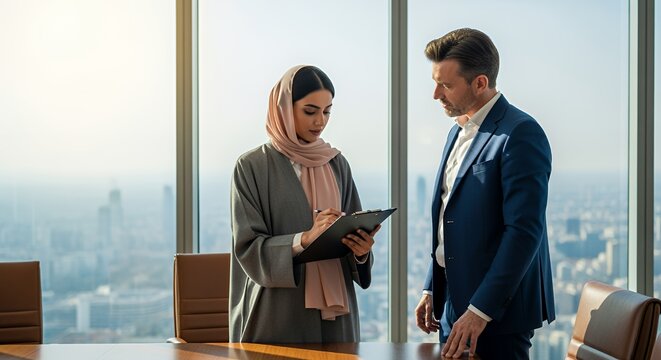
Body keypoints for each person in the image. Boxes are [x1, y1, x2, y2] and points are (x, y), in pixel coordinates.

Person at [414, 28, 555, 359]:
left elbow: (523, 232)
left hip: (496, 316)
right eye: (435, 82)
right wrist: (431, 285)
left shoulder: (520, 133)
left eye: (446, 85)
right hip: (452, 306)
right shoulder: (456, 132)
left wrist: (481, 310)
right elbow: (450, 217)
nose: (435, 94)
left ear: (480, 82)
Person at [229, 65, 379, 343]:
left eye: (327, 111)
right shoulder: (252, 167)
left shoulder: (336, 163)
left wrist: (361, 251)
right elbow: (248, 248)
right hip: (278, 311)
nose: (320, 121)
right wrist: (305, 239)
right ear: (284, 108)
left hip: (336, 316)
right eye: (310, 111)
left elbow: (353, 227)